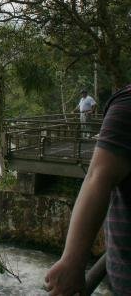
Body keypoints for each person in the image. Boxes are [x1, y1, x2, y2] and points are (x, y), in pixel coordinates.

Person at [45, 84, 131, 295]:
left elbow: (97, 177)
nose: (83, 95)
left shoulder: (127, 104)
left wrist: (72, 261)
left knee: (85, 134)